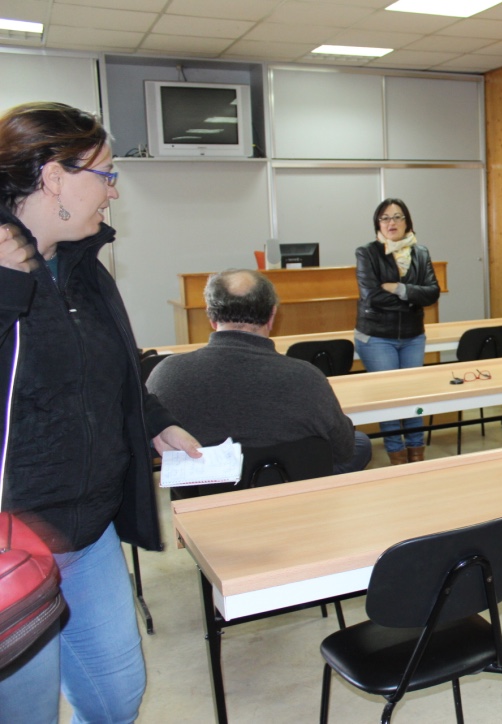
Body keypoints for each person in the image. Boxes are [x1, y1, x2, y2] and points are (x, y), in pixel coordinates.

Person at [0, 102, 201, 722]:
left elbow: (113, 368)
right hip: (12, 542)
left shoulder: (84, 267)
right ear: (54, 178)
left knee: (116, 698)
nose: (113, 192)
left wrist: (155, 420)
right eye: (106, 174)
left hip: (87, 529)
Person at [146, 269, 372, 489]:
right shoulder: (307, 377)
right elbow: (344, 449)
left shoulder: (166, 373)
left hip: (203, 497)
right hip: (293, 492)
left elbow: (146, 445)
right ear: (272, 316)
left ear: (211, 317)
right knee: (360, 442)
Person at [354, 198, 440, 465]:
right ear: (378, 224)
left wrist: (399, 289)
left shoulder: (421, 252)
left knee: (413, 395)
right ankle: (396, 456)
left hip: (413, 335)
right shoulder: (367, 253)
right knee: (390, 397)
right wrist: (413, 297)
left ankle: (416, 452)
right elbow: (372, 296)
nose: (391, 223)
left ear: (407, 222)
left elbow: (433, 292)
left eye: (397, 217)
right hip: (377, 336)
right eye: (385, 218)